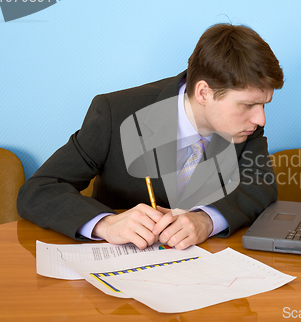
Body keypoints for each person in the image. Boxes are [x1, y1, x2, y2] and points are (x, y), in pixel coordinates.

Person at [17, 23, 284, 250]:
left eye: (264, 105)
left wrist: (207, 220)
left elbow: (259, 186)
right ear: (204, 93)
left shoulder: (245, 125)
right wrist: (105, 223)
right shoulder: (116, 113)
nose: (261, 119)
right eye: (248, 105)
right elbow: (39, 190)